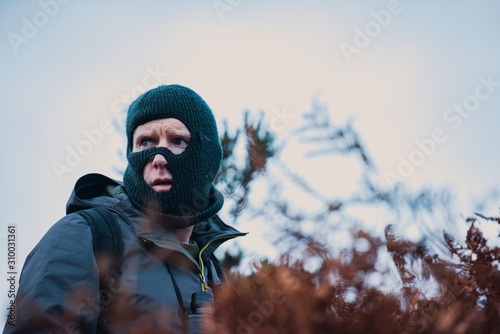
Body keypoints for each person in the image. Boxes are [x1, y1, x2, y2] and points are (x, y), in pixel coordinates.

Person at [4, 84, 246, 333]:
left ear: (207, 157)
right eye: (146, 142)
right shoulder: (81, 235)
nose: (159, 158)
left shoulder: (211, 268)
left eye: (178, 141)